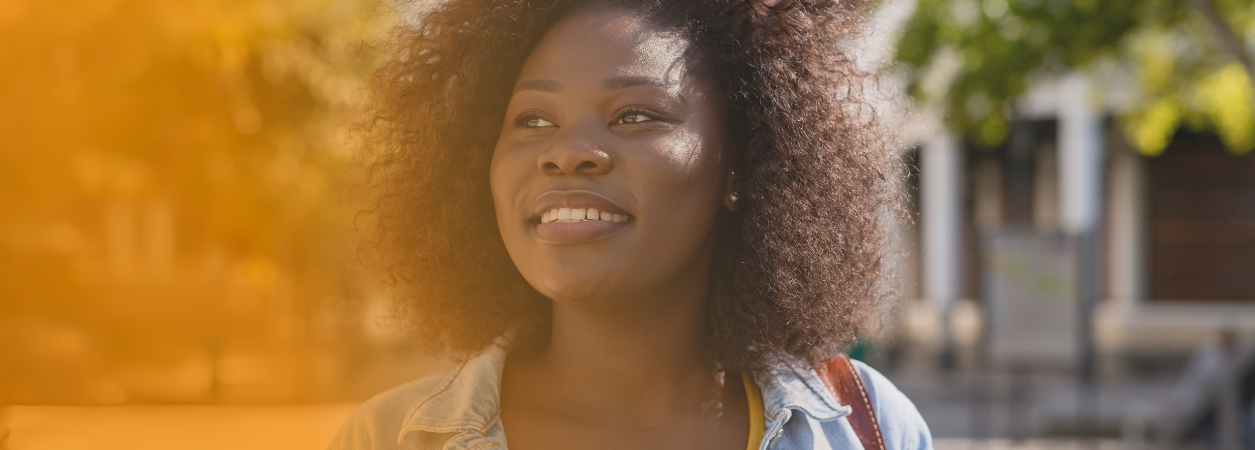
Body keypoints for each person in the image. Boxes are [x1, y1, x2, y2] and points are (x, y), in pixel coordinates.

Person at [332, 0, 930, 448]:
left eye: (635, 115)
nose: (566, 153)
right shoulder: (389, 437)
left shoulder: (865, 424)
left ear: (742, 167)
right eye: (533, 120)